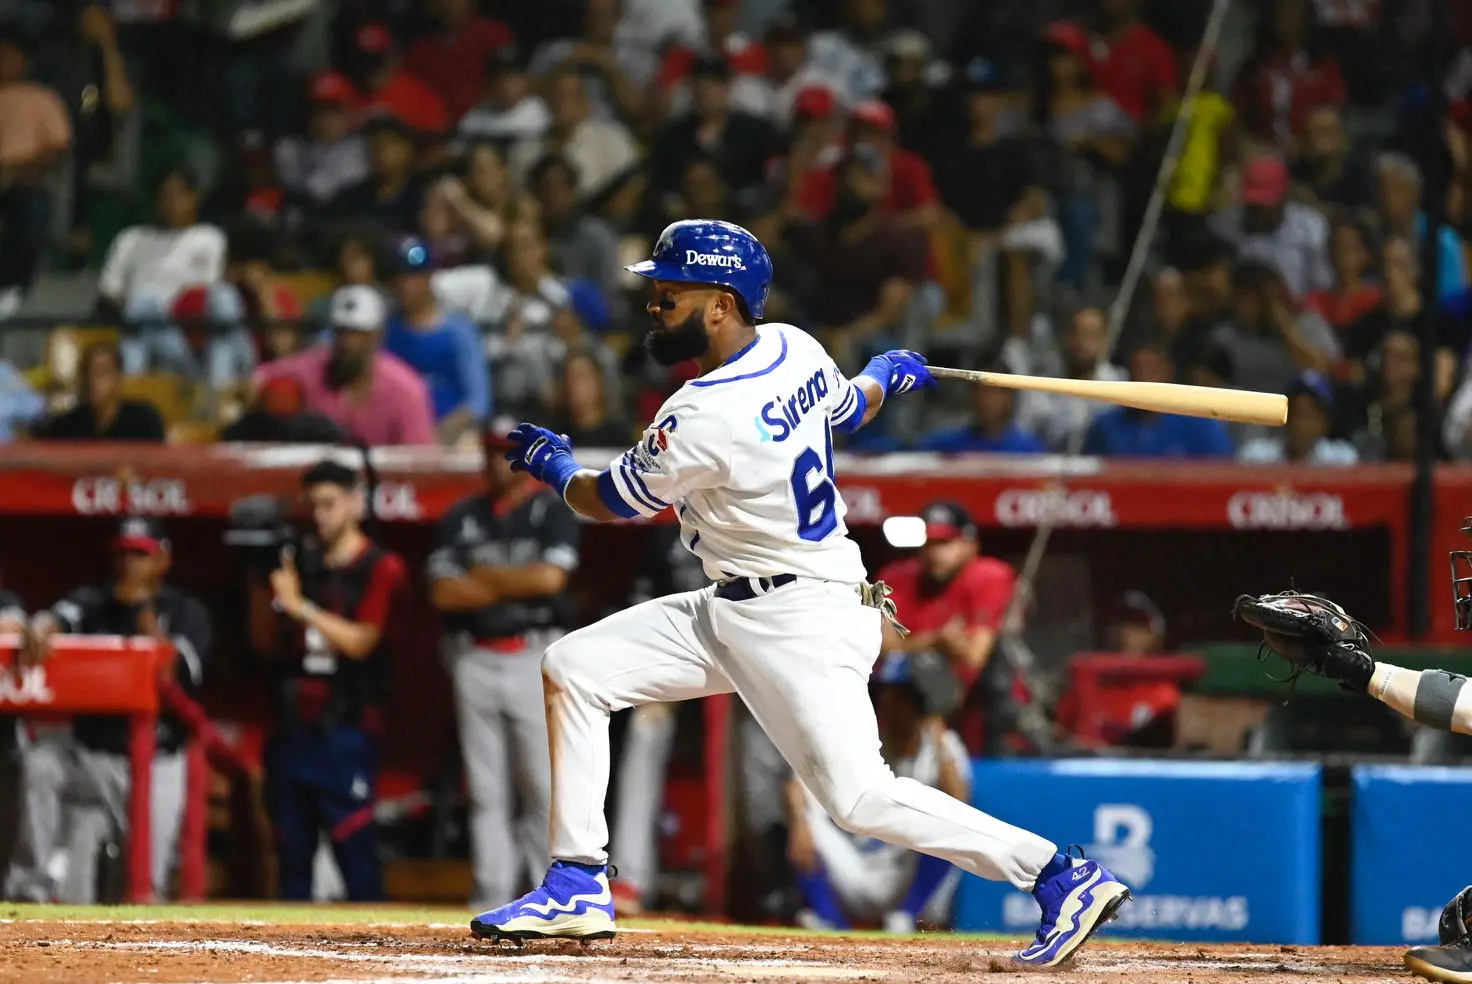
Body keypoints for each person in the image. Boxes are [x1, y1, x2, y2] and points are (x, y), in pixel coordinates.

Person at [474, 219, 1130, 967]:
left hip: (797, 620)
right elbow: (853, 407)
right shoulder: (794, 346)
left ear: (720, 304)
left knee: (859, 799)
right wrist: (886, 372)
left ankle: (1059, 874)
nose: (654, 306)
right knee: (576, 669)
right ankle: (578, 882)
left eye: (669, 294)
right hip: (742, 604)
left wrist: (554, 464)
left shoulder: (698, 414)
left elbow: (607, 502)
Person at [6, 518, 210, 903]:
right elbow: (58, 617)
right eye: (123, 554)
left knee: (148, 888)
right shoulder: (94, 601)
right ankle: (28, 888)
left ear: (163, 560)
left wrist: (147, 624)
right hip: (91, 759)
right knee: (41, 763)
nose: (129, 564)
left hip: (157, 763)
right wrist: (43, 625)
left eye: (141, 555)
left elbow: (181, 674)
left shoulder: (186, 612)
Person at [428, 426, 580, 911]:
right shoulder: (461, 516)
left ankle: (546, 896)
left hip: (533, 656)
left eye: (507, 455)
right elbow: (443, 591)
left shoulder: (551, 509)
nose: (498, 464)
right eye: (491, 454)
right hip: (475, 654)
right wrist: (515, 583)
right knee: (486, 790)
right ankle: (490, 894)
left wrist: (486, 580)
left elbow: (550, 578)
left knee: (541, 785)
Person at [257, 460, 409, 901]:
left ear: (356, 504)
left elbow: (362, 641)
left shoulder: (382, 567)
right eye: (314, 505)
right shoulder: (298, 563)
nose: (320, 514)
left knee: (356, 857)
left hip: (348, 728)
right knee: (291, 859)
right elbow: (267, 645)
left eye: (330, 503)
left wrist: (298, 605)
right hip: (291, 727)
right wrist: (263, 585)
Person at [787, 652, 970, 933]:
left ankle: (906, 917)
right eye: (883, 693)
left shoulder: (942, 747)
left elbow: (960, 800)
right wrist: (799, 821)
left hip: (904, 873)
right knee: (805, 816)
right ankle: (830, 921)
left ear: (917, 702)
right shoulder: (862, 743)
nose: (886, 702)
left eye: (899, 694)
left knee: (954, 823)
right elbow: (796, 786)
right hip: (857, 864)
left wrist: (935, 730)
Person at [251, 285, 437, 447]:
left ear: (377, 336)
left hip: (385, 483)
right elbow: (259, 378)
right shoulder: (315, 367)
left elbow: (420, 464)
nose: (347, 343)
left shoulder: (405, 390)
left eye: (358, 334)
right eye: (342, 332)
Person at [383, 237, 490, 445]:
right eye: (399, 277)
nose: (405, 285)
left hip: (452, 432)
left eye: (413, 277)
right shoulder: (385, 332)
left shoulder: (458, 331)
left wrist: (438, 432)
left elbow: (478, 401)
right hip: (396, 432)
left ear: (429, 277)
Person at [35, 342, 165, 442]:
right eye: (87, 372)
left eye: (101, 372)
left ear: (117, 378)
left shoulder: (144, 421)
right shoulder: (65, 426)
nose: (92, 380)